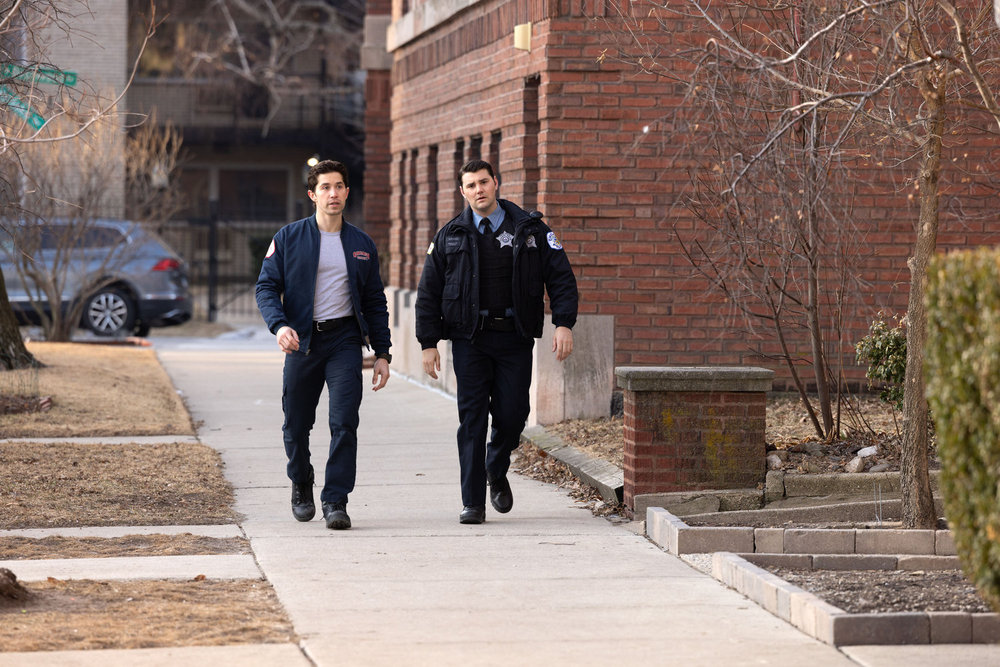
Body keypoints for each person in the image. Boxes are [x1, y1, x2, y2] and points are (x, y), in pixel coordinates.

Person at [415, 159, 578, 524]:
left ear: (497, 183)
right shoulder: (449, 235)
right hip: (469, 340)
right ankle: (472, 502)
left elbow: (562, 277)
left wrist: (564, 324)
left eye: (483, 182)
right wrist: (428, 343)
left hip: (514, 338)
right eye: (470, 185)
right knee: (472, 419)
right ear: (462, 192)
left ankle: (496, 465)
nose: (478, 190)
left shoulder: (529, 230)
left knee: (513, 414)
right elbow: (429, 292)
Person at [256, 159, 392, 530]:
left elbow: (375, 301)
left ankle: (335, 500)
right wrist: (279, 326)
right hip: (303, 342)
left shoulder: (362, 244)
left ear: (347, 192)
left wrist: (382, 353)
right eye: (326, 188)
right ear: (312, 195)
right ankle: (301, 480)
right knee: (296, 425)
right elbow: (266, 287)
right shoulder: (288, 238)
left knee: (344, 421)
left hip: (344, 340)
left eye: (339, 187)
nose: (333, 194)